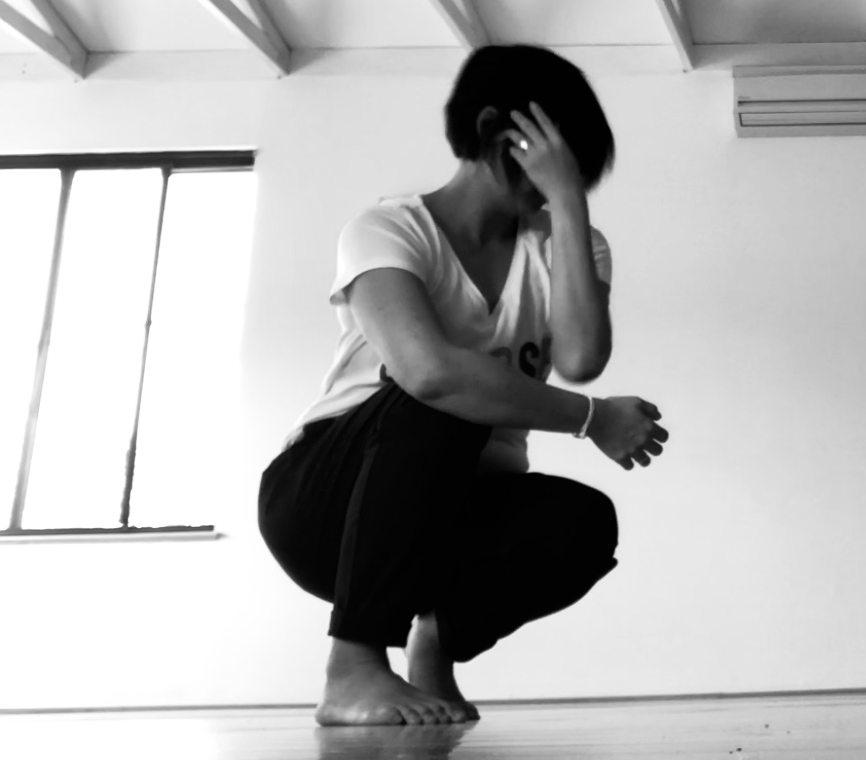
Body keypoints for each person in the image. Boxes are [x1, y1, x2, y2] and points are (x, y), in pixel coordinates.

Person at [258, 45, 668, 727]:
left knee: (584, 524)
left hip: (453, 513)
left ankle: (435, 646)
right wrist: (592, 419)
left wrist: (567, 202)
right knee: (448, 393)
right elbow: (430, 373)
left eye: (573, 175)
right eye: (553, 163)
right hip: (328, 504)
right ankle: (352, 665)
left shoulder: (570, 243)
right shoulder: (387, 230)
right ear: (494, 133)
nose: (557, 185)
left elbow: (581, 356)